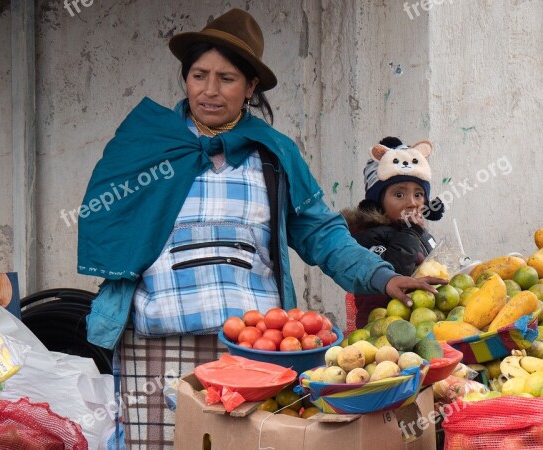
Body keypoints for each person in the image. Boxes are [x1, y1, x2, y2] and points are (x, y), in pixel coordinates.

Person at [76, 9, 446, 448]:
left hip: (255, 348)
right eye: (199, 75)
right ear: (186, 78)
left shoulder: (273, 155)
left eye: (227, 78)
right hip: (156, 341)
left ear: (251, 87)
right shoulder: (146, 144)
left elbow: (321, 233)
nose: (210, 91)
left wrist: (382, 276)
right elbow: (108, 221)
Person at [342, 137, 445, 330]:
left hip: (423, 325)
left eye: (418, 194)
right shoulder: (365, 236)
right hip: (381, 331)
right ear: (378, 201)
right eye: (399, 194)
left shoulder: (422, 234)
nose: (412, 203)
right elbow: (395, 272)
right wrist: (411, 232)